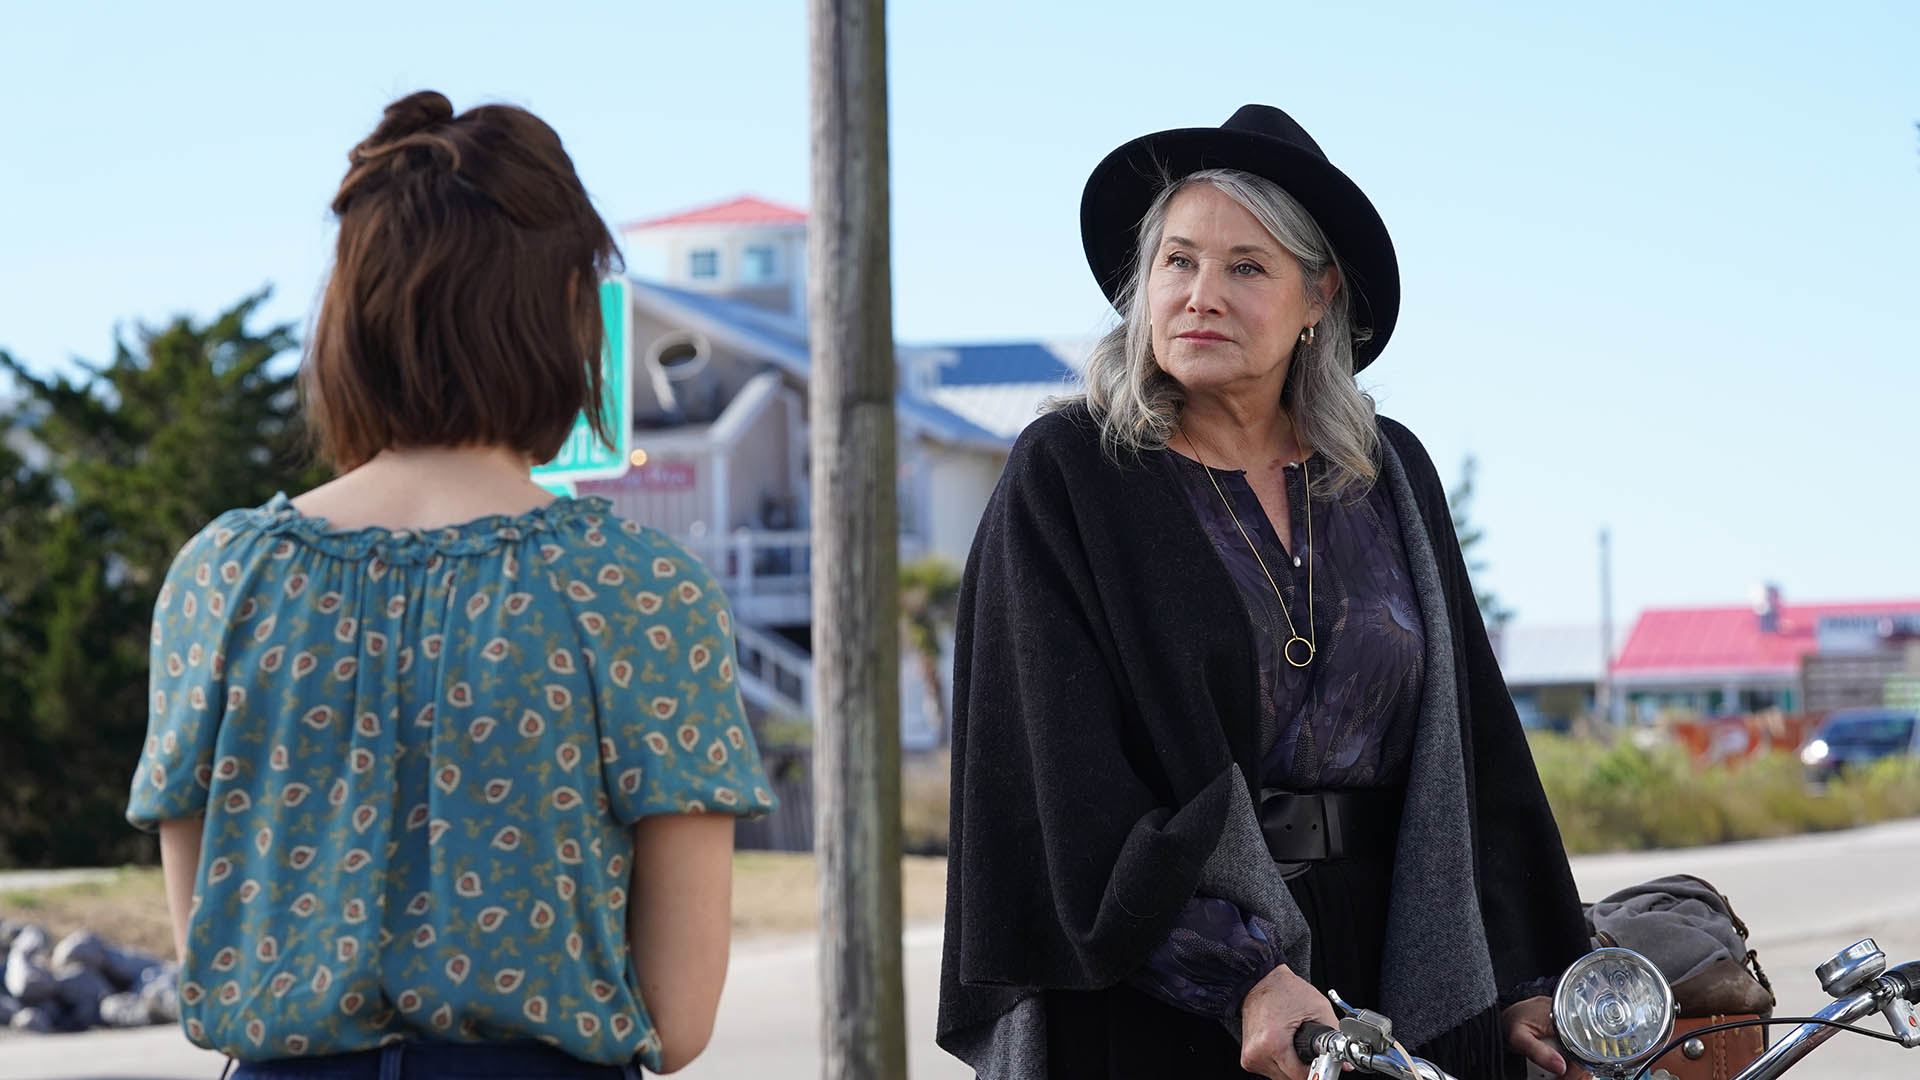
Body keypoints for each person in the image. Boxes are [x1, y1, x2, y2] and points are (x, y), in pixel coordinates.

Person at [126, 90, 775, 1079]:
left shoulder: (224, 578)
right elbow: (678, 1020)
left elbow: (207, 950)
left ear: (349, 315)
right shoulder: (636, 589)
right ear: (568, 307)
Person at [936, 105, 1591, 1080]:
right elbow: (1054, 777)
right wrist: (1243, 975)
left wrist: (1526, 972)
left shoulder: (1385, 474)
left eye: (1246, 267)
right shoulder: (1070, 474)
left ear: (1319, 295)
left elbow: (1476, 743)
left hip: (1395, 950)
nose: (1201, 296)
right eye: (1178, 261)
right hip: (1159, 978)